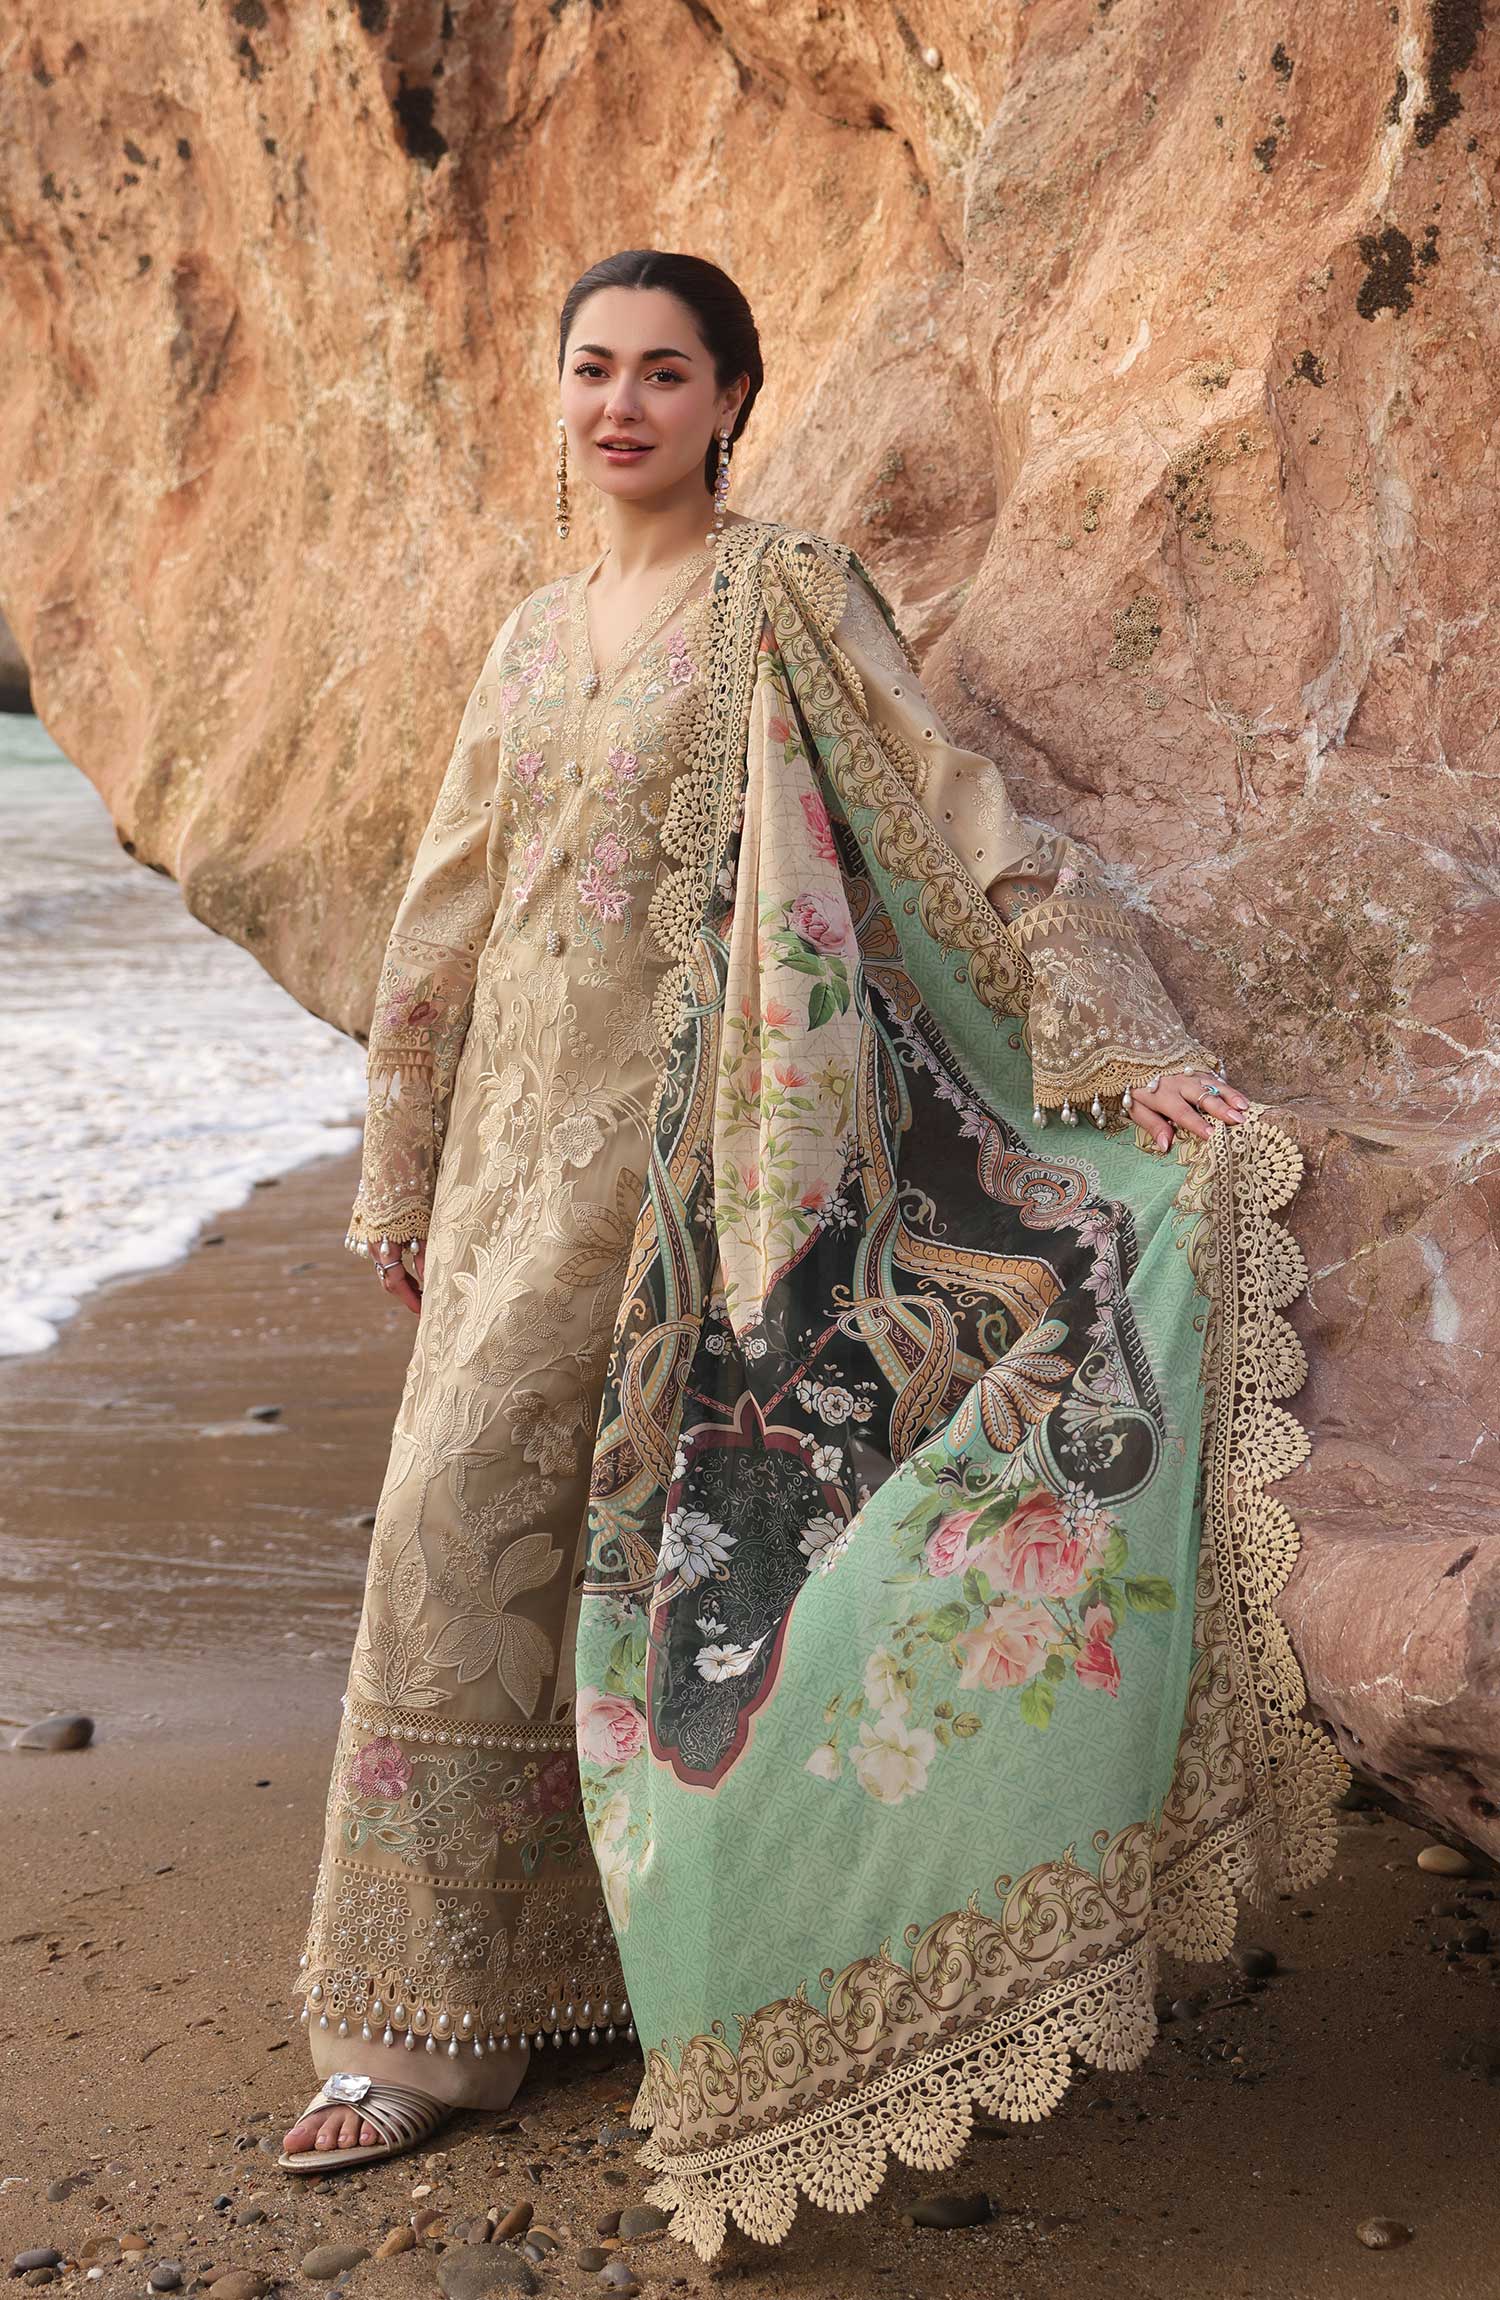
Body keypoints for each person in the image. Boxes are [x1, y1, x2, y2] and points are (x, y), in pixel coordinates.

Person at [280, 248, 1346, 2257]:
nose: (621, 404)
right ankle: (424, 2028)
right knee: (452, 1532)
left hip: (720, 1165)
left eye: (664, 373)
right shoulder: (529, 639)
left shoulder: (782, 591)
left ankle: (658, 1972)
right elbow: (446, 910)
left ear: (732, 401)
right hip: (517, 1167)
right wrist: (401, 1169)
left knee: (672, 1562)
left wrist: (1122, 1050)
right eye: (593, 368)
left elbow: (953, 808)